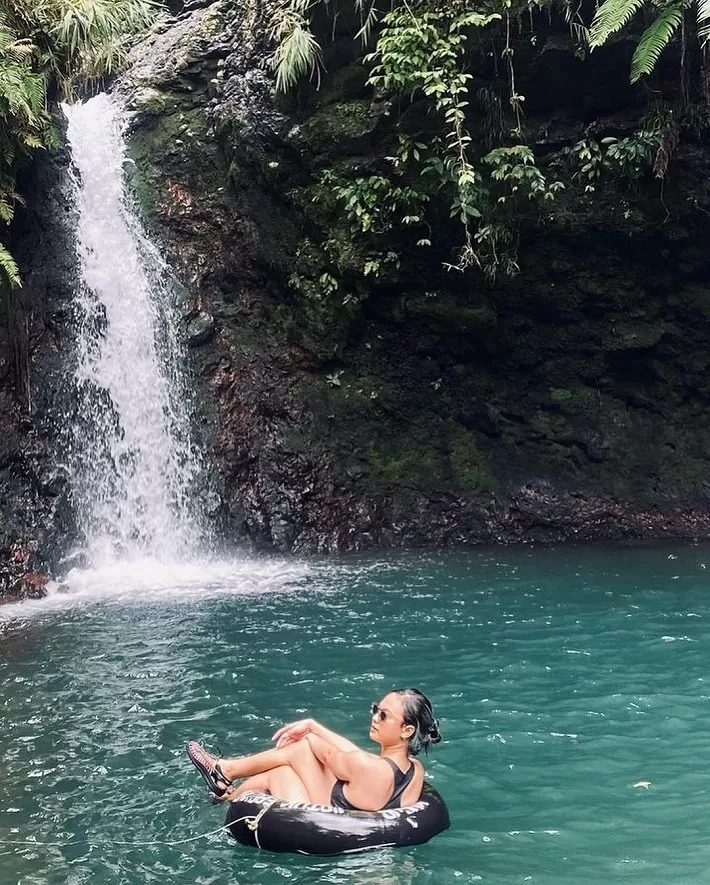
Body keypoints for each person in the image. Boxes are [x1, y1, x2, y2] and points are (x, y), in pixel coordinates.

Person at [186, 688, 442, 812]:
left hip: (326, 823)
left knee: (297, 752)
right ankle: (224, 793)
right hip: (364, 829)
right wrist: (314, 726)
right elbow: (357, 757)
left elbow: (321, 751)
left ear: (406, 730)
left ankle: (225, 772)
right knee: (281, 770)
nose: (375, 718)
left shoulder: (368, 767)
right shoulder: (415, 770)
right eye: (375, 710)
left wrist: (310, 732)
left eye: (384, 715)